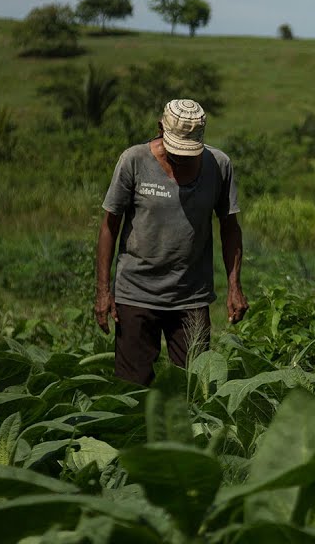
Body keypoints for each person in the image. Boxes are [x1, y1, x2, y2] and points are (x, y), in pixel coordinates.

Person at [93, 98, 248, 385]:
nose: (181, 158)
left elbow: (230, 227)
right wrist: (103, 291)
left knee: (196, 389)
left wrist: (234, 286)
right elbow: (109, 226)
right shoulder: (134, 161)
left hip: (191, 297)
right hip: (136, 293)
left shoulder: (219, 166)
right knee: (131, 391)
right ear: (160, 129)